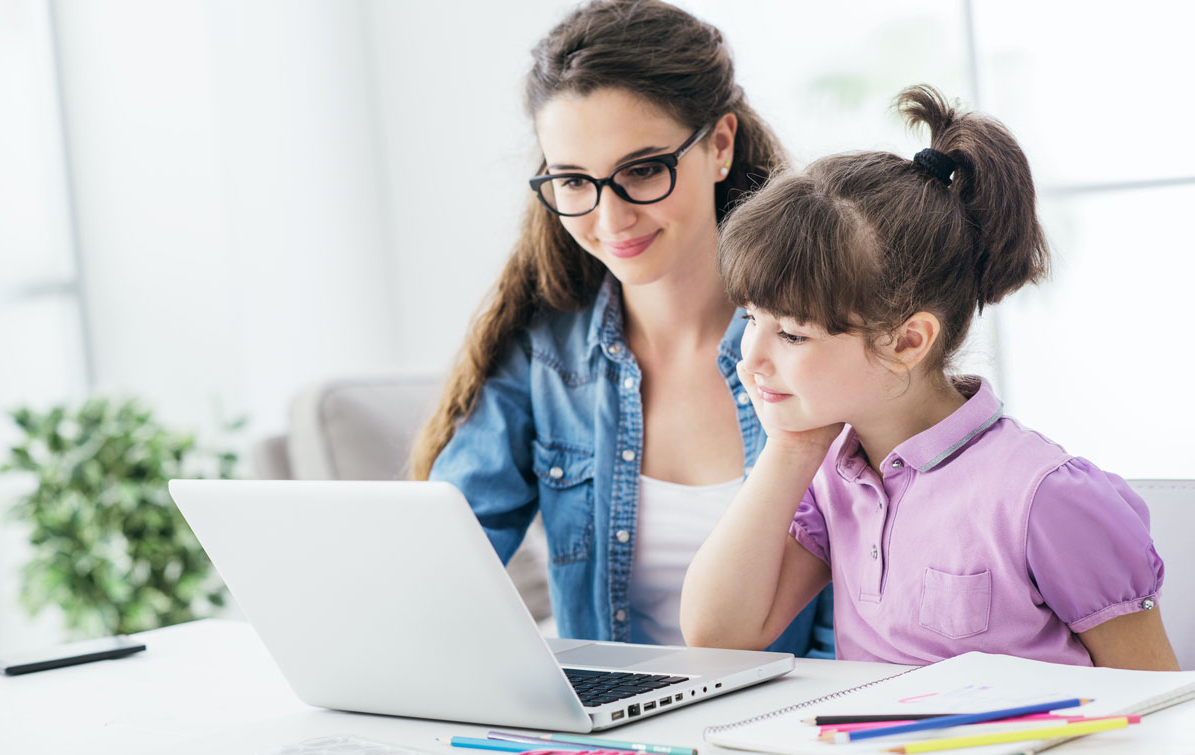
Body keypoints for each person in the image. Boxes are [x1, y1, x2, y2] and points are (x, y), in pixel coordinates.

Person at [681, 85, 1179, 670]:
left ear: (907, 342)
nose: (750, 357)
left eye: (791, 334)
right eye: (750, 318)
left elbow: (1156, 700)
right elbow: (716, 633)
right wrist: (790, 446)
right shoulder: (830, 476)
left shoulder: (1045, 496)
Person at [409, 0, 833, 654]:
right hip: (614, 743)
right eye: (574, 181)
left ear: (719, 146)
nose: (610, 218)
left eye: (641, 170)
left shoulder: (826, 339)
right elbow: (435, 568)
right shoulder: (544, 356)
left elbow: (869, 614)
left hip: (794, 727)